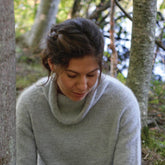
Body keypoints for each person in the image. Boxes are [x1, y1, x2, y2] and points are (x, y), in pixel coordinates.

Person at [16, 17, 141, 165]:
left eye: (91, 75)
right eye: (72, 75)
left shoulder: (122, 103)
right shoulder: (31, 104)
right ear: (52, 65)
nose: (82, 86)